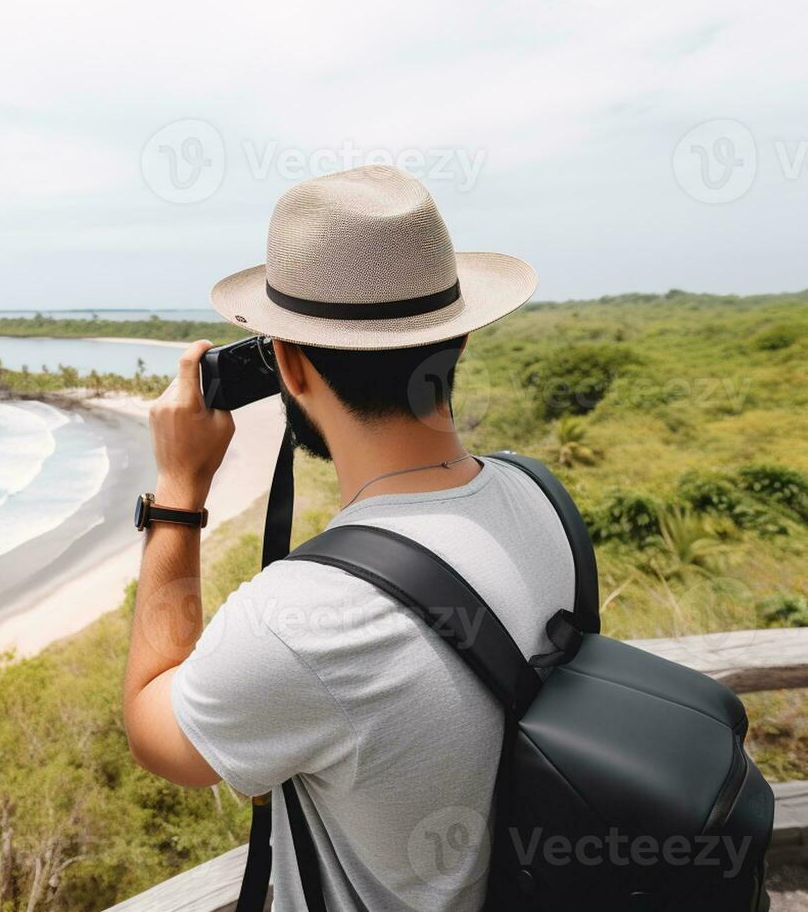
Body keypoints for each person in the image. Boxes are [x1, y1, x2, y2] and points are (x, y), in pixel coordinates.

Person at [121, 165, 574, 911]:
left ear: (287, 366)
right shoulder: (539, 497)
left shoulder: (304, 620)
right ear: (456, 343)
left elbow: (151, 729)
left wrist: (177, 494)